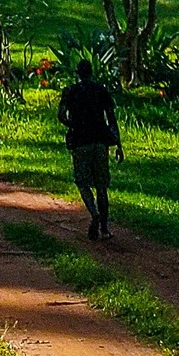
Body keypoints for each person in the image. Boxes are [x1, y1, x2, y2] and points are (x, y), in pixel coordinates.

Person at [57, 56, 122, 240]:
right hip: (100, 140)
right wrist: (118, 143)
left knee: (82, 181)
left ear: (77, 74)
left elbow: (61, 115)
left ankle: (94, 213)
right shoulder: (101, 90)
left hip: (80, 141)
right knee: (102, 186)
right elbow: (111, 119)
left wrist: (74, 124)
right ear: (92, 73)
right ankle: (105, 227)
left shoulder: (70, 91)